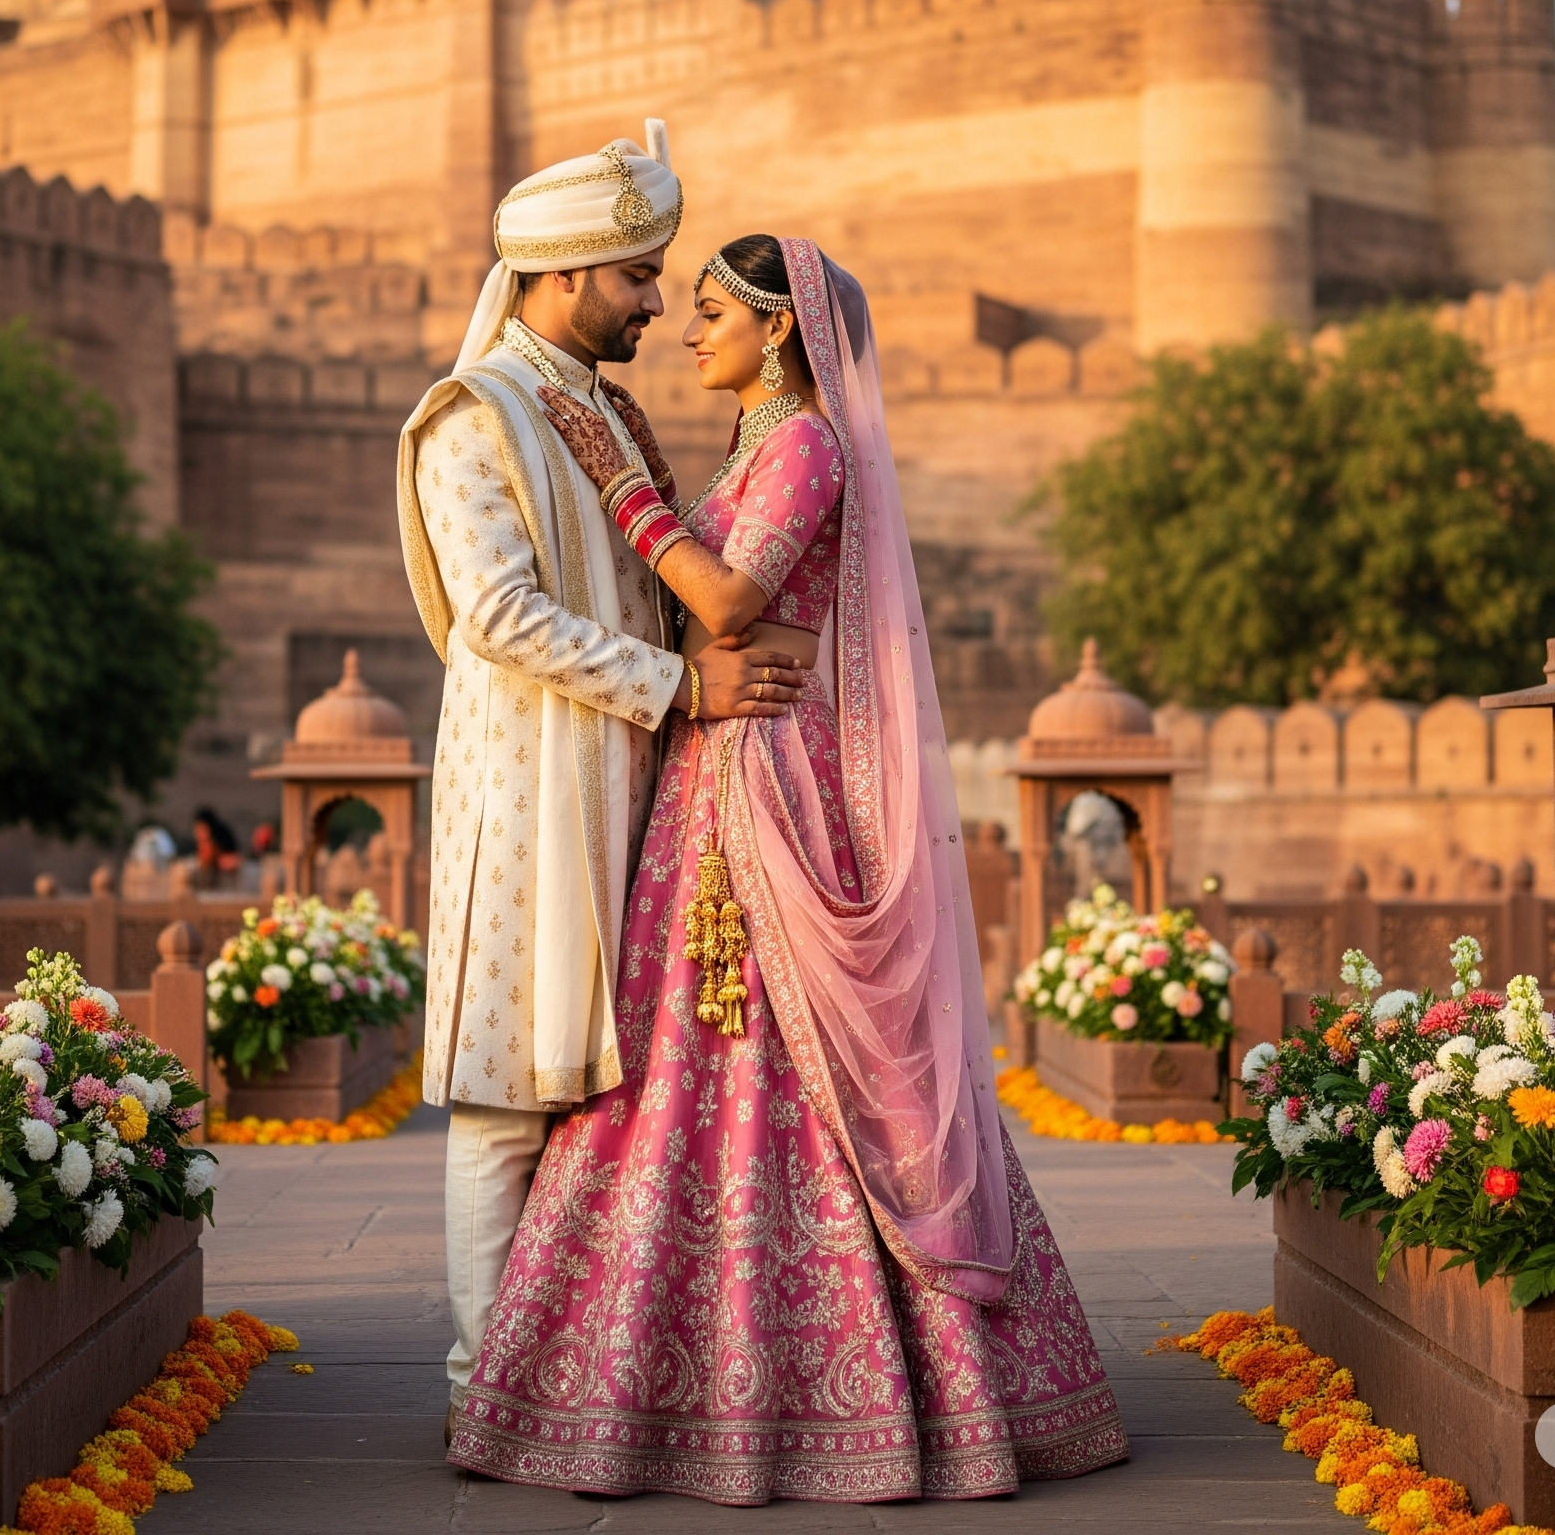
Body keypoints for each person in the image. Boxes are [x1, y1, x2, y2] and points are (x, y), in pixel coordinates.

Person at [446, 235, 1128, 1504]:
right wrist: (650, 483)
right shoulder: (752, 448)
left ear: (777, 328)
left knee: (773, 1044)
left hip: (763, 777)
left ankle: (826, 1382)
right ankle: (688, 1375)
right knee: (700, 1053)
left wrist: (622, 486)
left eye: (711, 309)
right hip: (713, 765)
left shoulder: (806, 440)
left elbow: (728, 599)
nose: (685, 326)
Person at [397, 126, 809, 1436]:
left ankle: (584, 1378)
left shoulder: (605, 412)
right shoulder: (475, 415)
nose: (652, 302)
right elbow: (496, 616)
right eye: (637, 277)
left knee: (610, 1106)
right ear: (566, 272)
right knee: (507, 1101)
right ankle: (483, 1390)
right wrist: (684, 685)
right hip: (529, 795)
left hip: (642, 789)